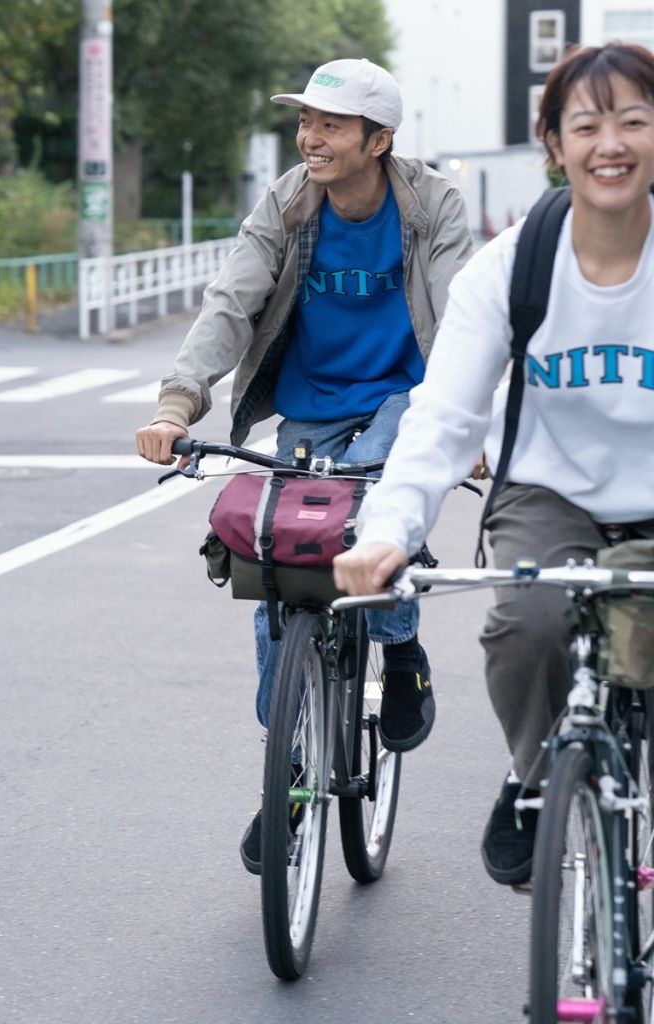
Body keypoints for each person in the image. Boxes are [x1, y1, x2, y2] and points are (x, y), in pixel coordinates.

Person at [135, 57, 474, 874]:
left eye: (330, 124)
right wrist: (178, 402)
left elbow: (464, 317)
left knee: (376, 517)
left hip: (405, 397)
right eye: (305, 122)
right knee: (278, 560)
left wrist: (473, 419)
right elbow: (230, 301)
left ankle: (398, 652)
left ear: (378, 138)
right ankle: (284, 760)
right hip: (309, 406)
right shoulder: (289, 203)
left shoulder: (431, 206)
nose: (310, 137)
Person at [332, 42, 654, 886]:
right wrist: (387, 533)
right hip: (549, 491)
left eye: (633, 120)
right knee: (527, 627)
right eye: (586, 124)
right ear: (554, 143)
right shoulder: (512, 266)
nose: (610, 143)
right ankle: (537, 777)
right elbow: (444, 416)